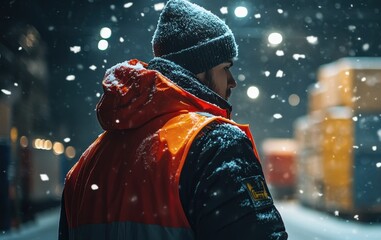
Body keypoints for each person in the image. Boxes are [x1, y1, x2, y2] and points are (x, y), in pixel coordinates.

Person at [58, 0, 288, 239]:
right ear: (199, 68)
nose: (232, 81)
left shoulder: (87, 164)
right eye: (225, 68)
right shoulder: (215, 143)